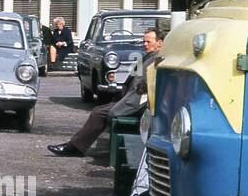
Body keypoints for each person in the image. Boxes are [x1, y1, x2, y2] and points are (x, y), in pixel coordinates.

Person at [48, 28, 163, 156]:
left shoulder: (157, 60)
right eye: (144, 41)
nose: (145, 44)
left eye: (148, 42)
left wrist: (120, 106)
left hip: (137, 105)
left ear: (160, 43)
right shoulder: (150, 57)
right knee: (98, 111)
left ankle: (74, 148)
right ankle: (75, 146)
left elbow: (143, 90)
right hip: (128, 99)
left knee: (99, 113)